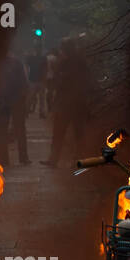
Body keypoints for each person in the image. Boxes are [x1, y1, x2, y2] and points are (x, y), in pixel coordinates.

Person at [41, 36, 90, 167]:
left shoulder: (65, 63)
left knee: (59, 133)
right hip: (77, 103)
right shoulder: (81, 62)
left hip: (66, 104)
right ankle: (79, 160)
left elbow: (59, 83)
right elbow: (86, 82)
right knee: (77, 133)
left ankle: (53, 160)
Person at [0, 50, 30, 165]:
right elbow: (24, 82)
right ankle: (23, 158)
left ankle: (4, 159)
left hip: (4, 100)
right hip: (13, 100)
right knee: (18, 129)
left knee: (2, 130)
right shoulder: (16, 62)